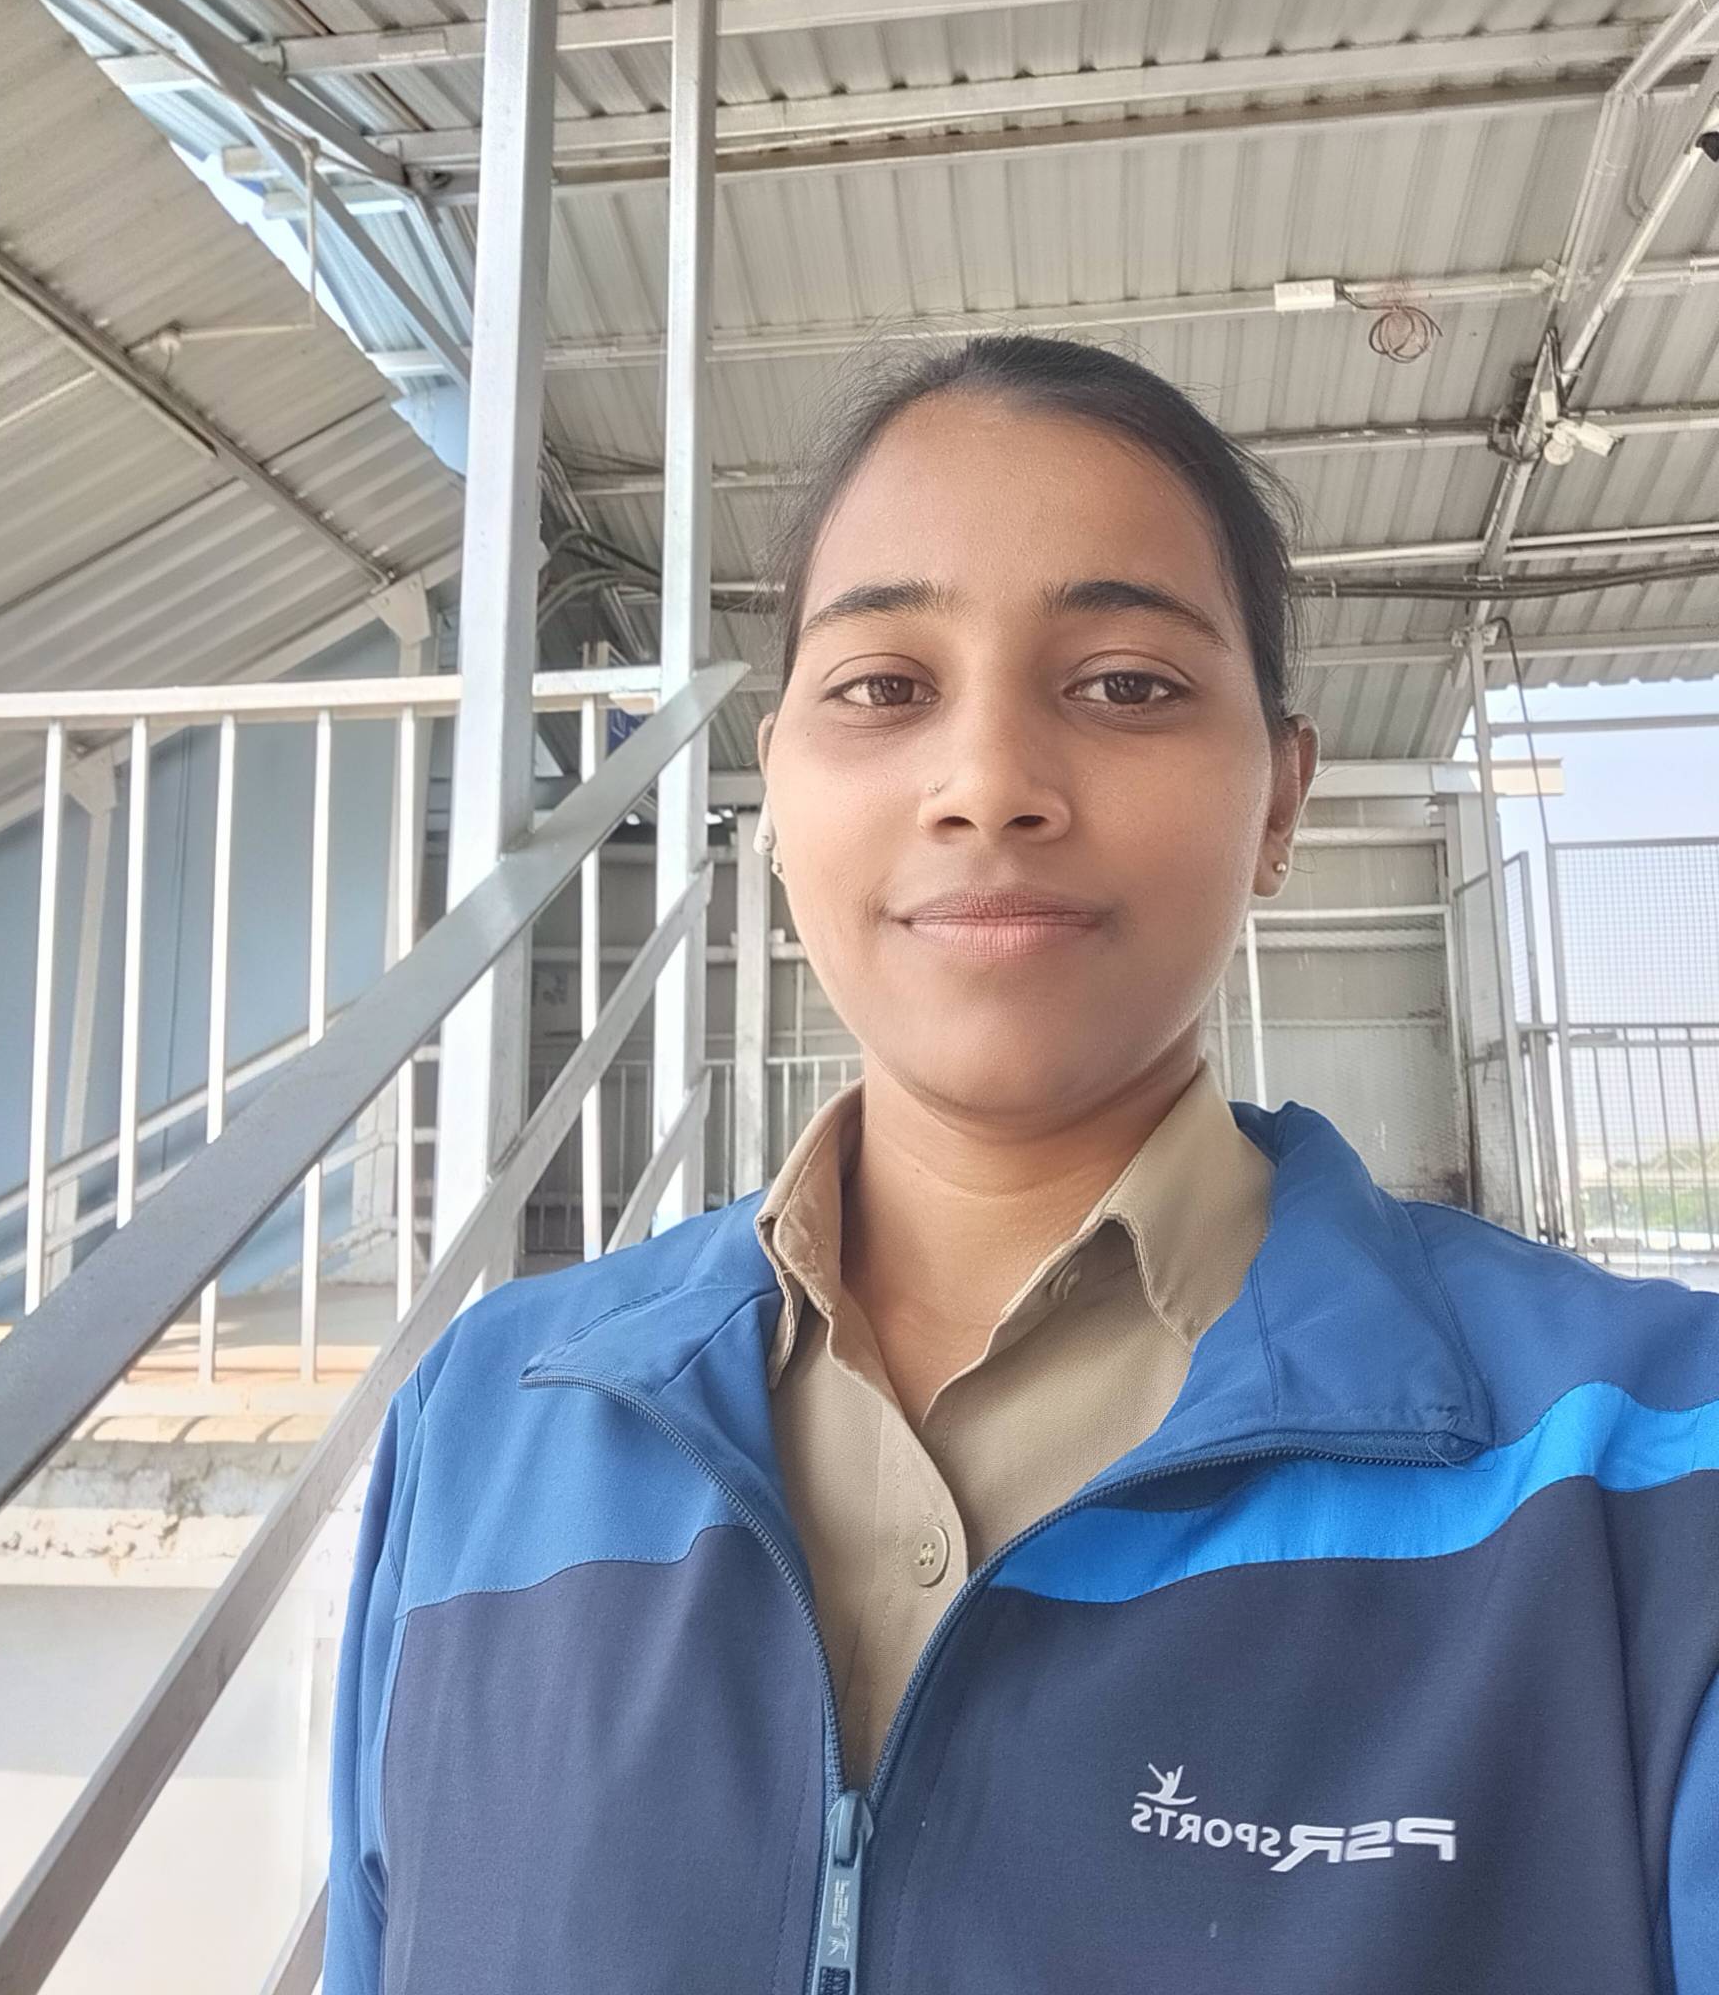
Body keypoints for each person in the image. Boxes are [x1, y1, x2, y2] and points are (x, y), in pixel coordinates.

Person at [324, 335, 1719, 1994]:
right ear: (777, 788)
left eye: (1125, 684)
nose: (988, 785)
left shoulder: (1648, 1473)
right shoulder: (487, 1422)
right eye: (883, 688)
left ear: (1280, 799)